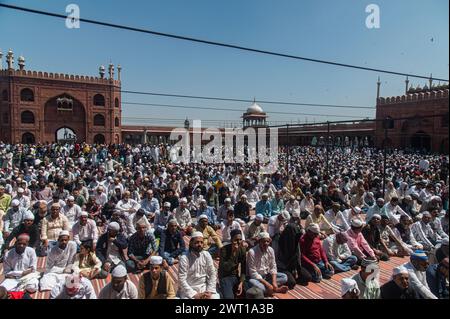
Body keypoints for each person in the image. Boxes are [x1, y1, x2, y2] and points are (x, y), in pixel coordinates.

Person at [178, 231, 220, 299]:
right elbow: (181, 280)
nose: (199, 244)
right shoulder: (184, 258)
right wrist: (194, 294)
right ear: (191, 243)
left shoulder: (206, 255)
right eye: (197, 242)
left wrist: (209, 291)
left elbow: (212, 273)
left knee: (215, 298)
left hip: (204, 287)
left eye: (201, 242)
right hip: (189, 289)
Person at [246, 232, 289, 297]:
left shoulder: (271, 250)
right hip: (256, 279)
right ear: (259, 242)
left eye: (267, 241)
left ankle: (270, 288)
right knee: (252, 282)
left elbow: (273, 266)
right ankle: (275, 289)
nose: (266, 243)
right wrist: (267, 284)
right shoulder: (252, 252)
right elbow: (253, 273)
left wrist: (274, 282)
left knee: (284, 277)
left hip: (267, 276)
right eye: (263, 241)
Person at [277, 222, 312, 287]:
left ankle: (293, 276)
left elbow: (298, 256)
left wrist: (296, 268)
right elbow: (277, 260)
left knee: (308, 277)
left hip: (294, 266)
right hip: (283, 267)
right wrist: (288, 268)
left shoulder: (295, 241)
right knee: (291, 283)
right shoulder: (280, 241)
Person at [218, 229, 247, 299]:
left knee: (246, 294)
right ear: (231, 240)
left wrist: (241, 282)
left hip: (235, 276)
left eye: (240, 240)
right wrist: (233, 252)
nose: (238, 242)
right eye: (236, 240)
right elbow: (226, 268)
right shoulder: (224, 250)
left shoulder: (242, 250)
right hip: (225, 277)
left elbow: (243, 269)